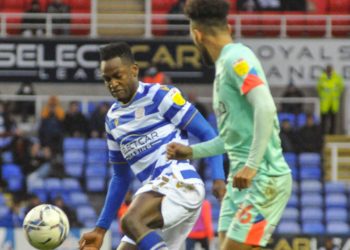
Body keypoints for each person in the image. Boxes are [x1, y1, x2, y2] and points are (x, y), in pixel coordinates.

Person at [166, 1, 292, 249]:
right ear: (229, 27)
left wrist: (252, 166)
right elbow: (231, 139)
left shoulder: (237, 58)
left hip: (264, 178)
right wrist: (191, 151)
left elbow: (265, 107)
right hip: (240, 184)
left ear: (197, 34)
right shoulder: (224, 67)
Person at [79, 42, 226, 250]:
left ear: (134, 70)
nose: (112, 83)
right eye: (107, 79)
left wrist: (219, 177)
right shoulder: (112, 119)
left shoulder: (159, 95)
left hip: (179, 181)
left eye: (117, 76)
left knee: (130, 221)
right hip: (156, 196)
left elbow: (208, 134)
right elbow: (121, 177)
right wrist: (100, 229)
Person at [317, 65, 345, 134]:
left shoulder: (337, 78)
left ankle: (332, 133)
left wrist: (336, 95)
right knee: (323, 120)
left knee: (333, 120)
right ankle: (322, 133)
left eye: (330, 70)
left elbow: (341, 87)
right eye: (328, 70)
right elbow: (318, 88)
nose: (329, 71)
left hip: (333, 103)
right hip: (325, 103)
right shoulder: (322, 78)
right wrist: (323, 96)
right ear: (326, 70)